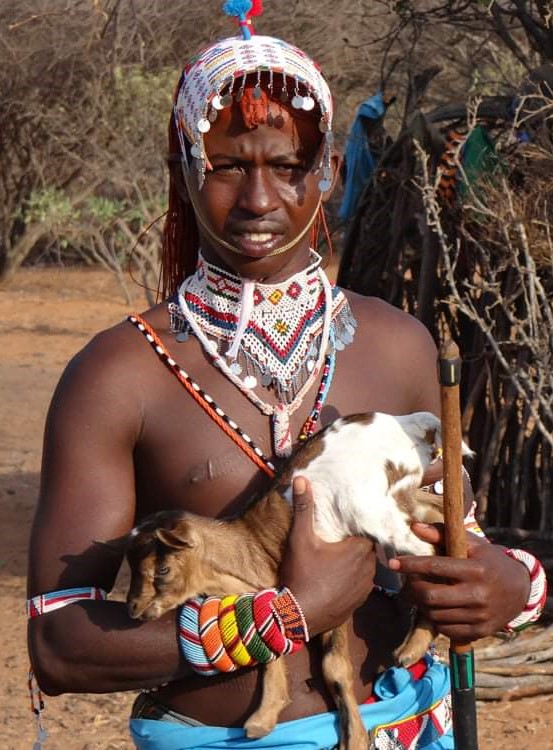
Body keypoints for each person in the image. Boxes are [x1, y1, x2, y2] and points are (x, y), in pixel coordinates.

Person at [27, 4, 547, 749]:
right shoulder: (119, 375)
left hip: (403, 726)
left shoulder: (396, 347)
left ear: (331, 171)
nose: (259, 200)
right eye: (228, 167)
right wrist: (287, 616)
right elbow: (61, 644)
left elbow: (450, 537)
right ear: (183, 170)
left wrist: (507, 586)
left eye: (287, 165)